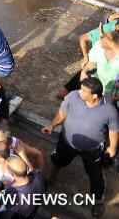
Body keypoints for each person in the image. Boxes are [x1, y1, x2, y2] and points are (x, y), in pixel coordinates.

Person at [42, 77, 118, 218]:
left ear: (95, 96)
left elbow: (113, 131)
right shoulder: (73, 96)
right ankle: (50, 178)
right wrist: (52, 125)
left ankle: (98, 200)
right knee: (58, 160)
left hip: (92, 149)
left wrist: (112, 147)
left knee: (95, 175)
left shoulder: (110, 110)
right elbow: (62, 113)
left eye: (84, 91)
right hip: (67, 141)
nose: (79, 92)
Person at [79, 31, 119, 105]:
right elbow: (92, 62)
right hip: (95, 87)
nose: (100, 41)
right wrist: (84, 71)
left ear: (111, 43)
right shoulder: (98, 46)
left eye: (104, 40)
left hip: (112, 93)